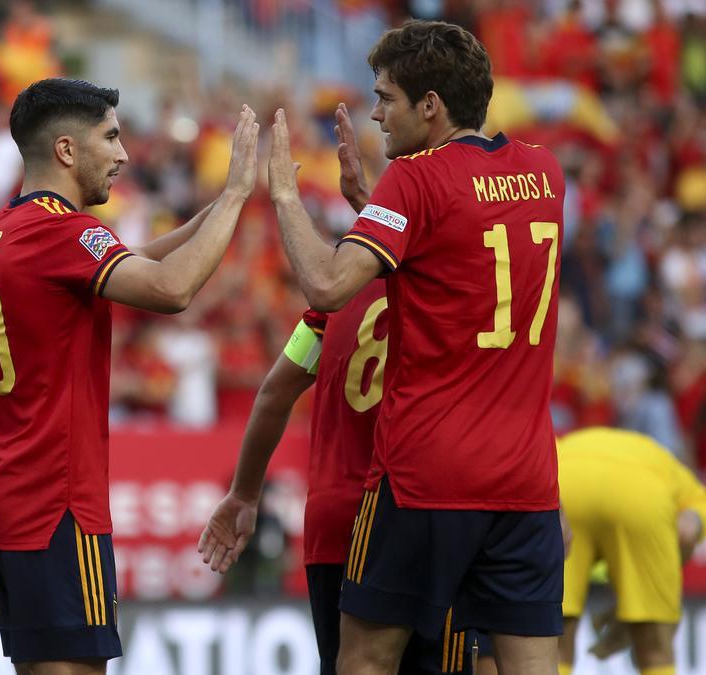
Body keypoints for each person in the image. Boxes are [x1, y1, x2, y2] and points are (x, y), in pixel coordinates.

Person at [254, 20, 566, 674]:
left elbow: (330, 285)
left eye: (386, 97)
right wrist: (374, 208)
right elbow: (459, 249)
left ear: (431, 104)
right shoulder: (544, 173)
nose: (375, 113)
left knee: (365, 657)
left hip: (425, 475)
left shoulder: (417, 177)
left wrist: (284, 192)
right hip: (526, 482)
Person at [0, 77, 258, 674]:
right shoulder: (62, 233)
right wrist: (234, 199)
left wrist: (221, 202)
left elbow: (133, 259)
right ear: (67, 150)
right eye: (112, 137)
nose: (124, 154)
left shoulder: (1, 230)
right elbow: (171, 289)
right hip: (55, 501)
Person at [199, 103, 493, 675]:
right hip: (424, 506)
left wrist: (245, 493)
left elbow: (274, 393)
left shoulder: (329, 312)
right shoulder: (455, 298)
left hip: (335, 522)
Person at [558, 427, 706, 675]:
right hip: (641, 494)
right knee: (655, 646)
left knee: (553, 635)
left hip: (566, 483)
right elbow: (688, 530)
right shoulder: (669, 465)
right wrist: (647, 593)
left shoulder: (566, 443)